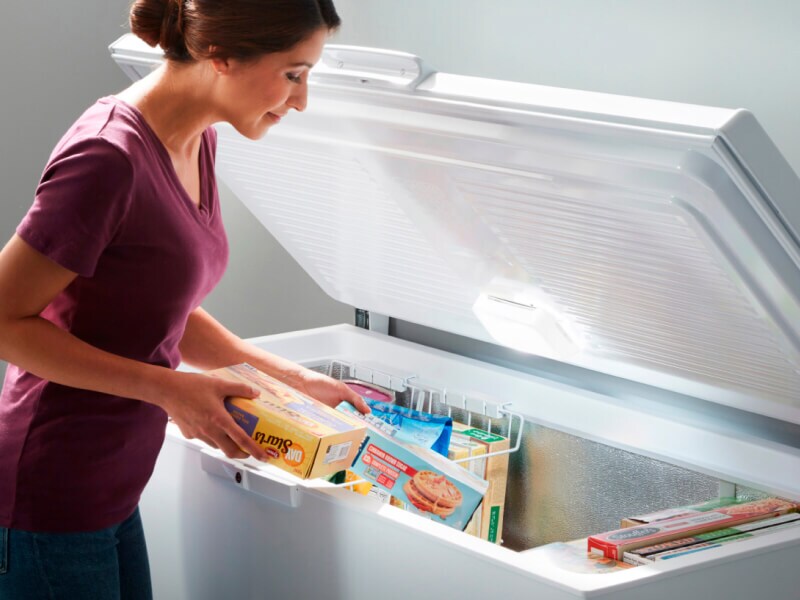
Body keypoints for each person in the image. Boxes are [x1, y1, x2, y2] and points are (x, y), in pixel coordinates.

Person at [0, 1, 368, 598]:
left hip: (112, 485)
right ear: (220, 54)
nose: (302, 100)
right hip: (50, 493)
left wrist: (285, 380)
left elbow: (151, 301)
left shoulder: (196, 140)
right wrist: (169, 389)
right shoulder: (106, 159)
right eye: (294, 74)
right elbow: (4, 320)